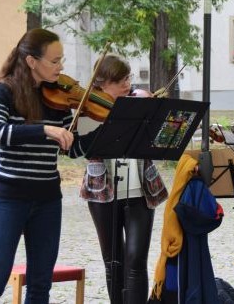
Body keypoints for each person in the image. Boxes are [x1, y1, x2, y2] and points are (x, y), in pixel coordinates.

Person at [0, 28, 97, 303]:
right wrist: (44, 130)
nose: (61, 66)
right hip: (7, 198)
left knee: (41, 285)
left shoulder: (59, 98)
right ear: (31, 61)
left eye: (61, 60)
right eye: (54, 61)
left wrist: (108, 134)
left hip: (47, 200)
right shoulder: (3, 90)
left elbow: (70, 146)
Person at [78, 54, 168, 304]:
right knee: (113, 261)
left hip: (141, 190)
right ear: (101, 84)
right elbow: (82, 148)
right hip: (103, 193)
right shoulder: (86, 110)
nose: (127, 85)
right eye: (120, 81)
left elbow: (159, 143)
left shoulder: (139, 104)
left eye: (128, 78)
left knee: (136, 260)